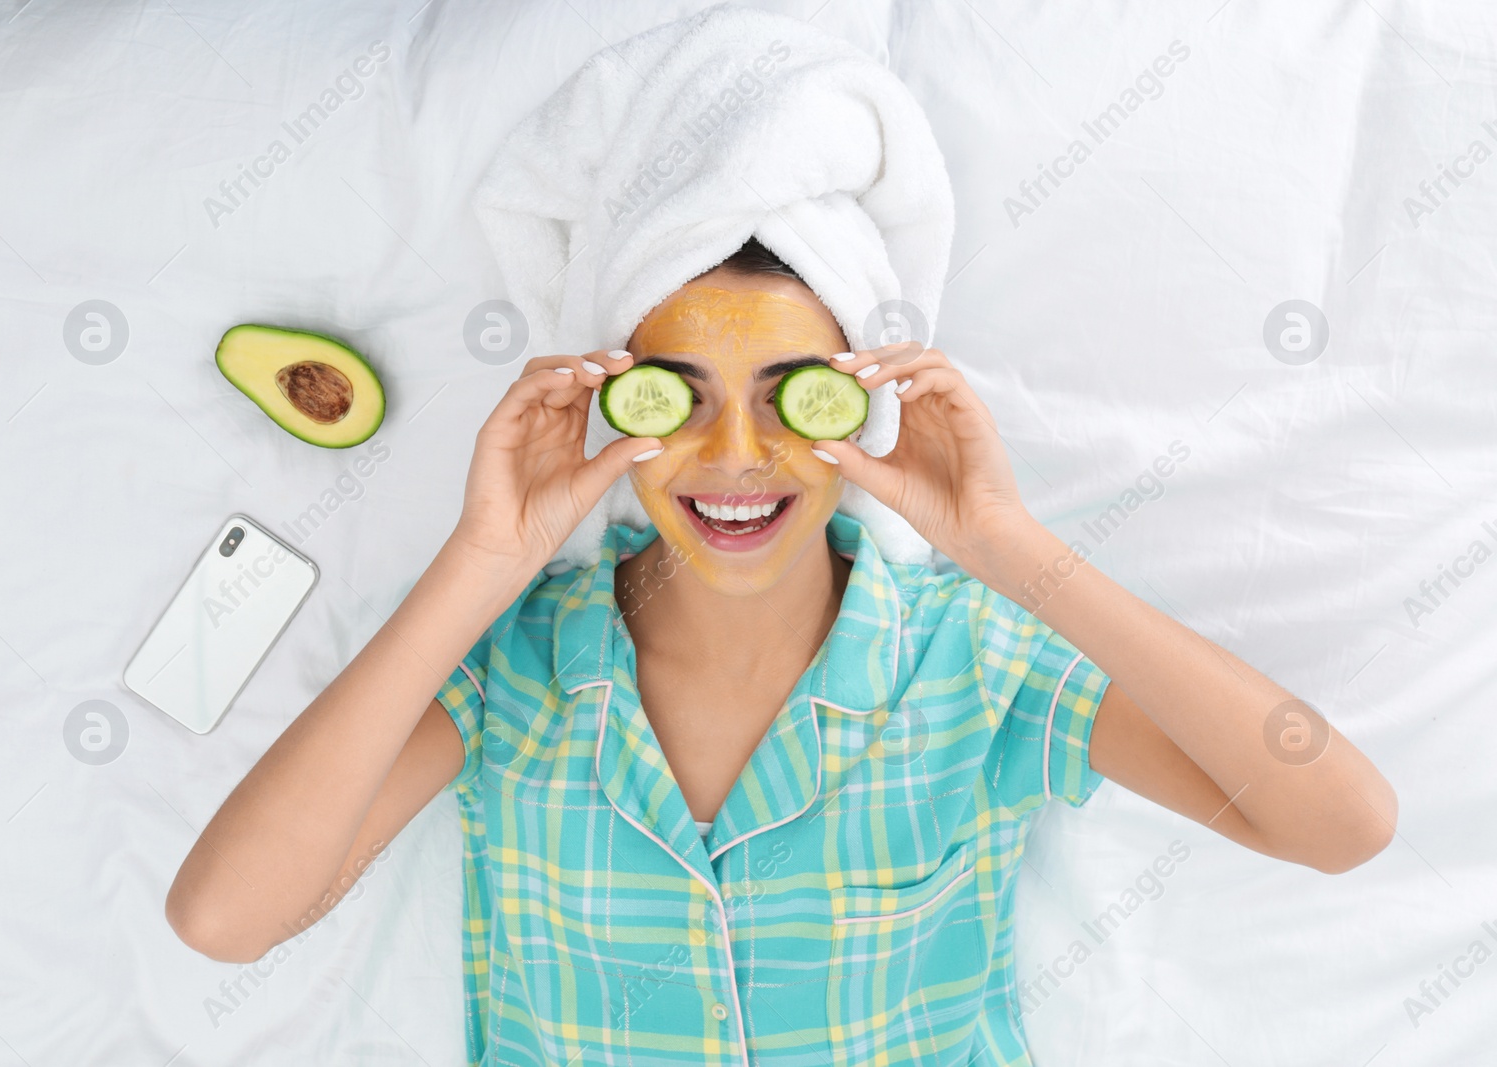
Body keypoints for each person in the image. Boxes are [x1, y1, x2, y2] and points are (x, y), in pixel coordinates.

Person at [165, 237, 1398, 1065]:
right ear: (612, 413)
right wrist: (482, 560)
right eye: (676, 394)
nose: (737, 452)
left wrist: (1004, 541)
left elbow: (1339, 820)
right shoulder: (517, 660)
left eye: (791, 392)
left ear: (859, 410)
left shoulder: (973, 658)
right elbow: (225, 919)